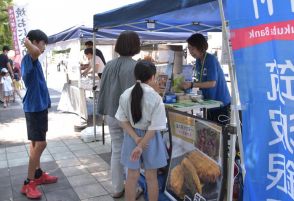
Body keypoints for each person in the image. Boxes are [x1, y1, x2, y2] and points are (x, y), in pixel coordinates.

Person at [115, 60, 168, 201]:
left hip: (131, 136)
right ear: (152, 77)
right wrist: (141, 144)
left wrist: (136, 140)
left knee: (131, 176)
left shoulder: (126, 94)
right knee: (152, 177)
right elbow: (155, 127)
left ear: (135, 75)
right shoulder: (155, 97)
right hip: (151, 138)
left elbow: (122, 120)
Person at [97, 30, 140, 198]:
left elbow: (103, 90)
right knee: (131, 153)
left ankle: (117, 188)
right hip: (126, 118)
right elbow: (136, 96)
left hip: (110, 113)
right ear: (134, 46)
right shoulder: (135, 66)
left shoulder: (109, 65)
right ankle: (132, 189)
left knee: (116, 150)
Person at [20, 29, 58, 199]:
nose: (43, 48)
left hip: (36, 106)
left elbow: (36, 51)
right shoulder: (30, 57)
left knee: (35, 143)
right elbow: (35, 51)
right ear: (35, 42)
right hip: (35, 107)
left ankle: (38, 174)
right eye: (43, 44)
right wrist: (27, 41)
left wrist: (32, 45)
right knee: (41, 144)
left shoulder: (31, 59)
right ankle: (29, 183)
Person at [182, 33, 231, 124]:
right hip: (209, 103)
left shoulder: (210, 59)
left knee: (221, 133)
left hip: (221, 103)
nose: (191, 52)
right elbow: (201, 80)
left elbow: (212, 83)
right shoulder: (198, 61)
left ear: (200, 47)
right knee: (210, 133)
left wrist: (192, 84)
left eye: (192, 49)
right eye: (189, 49)